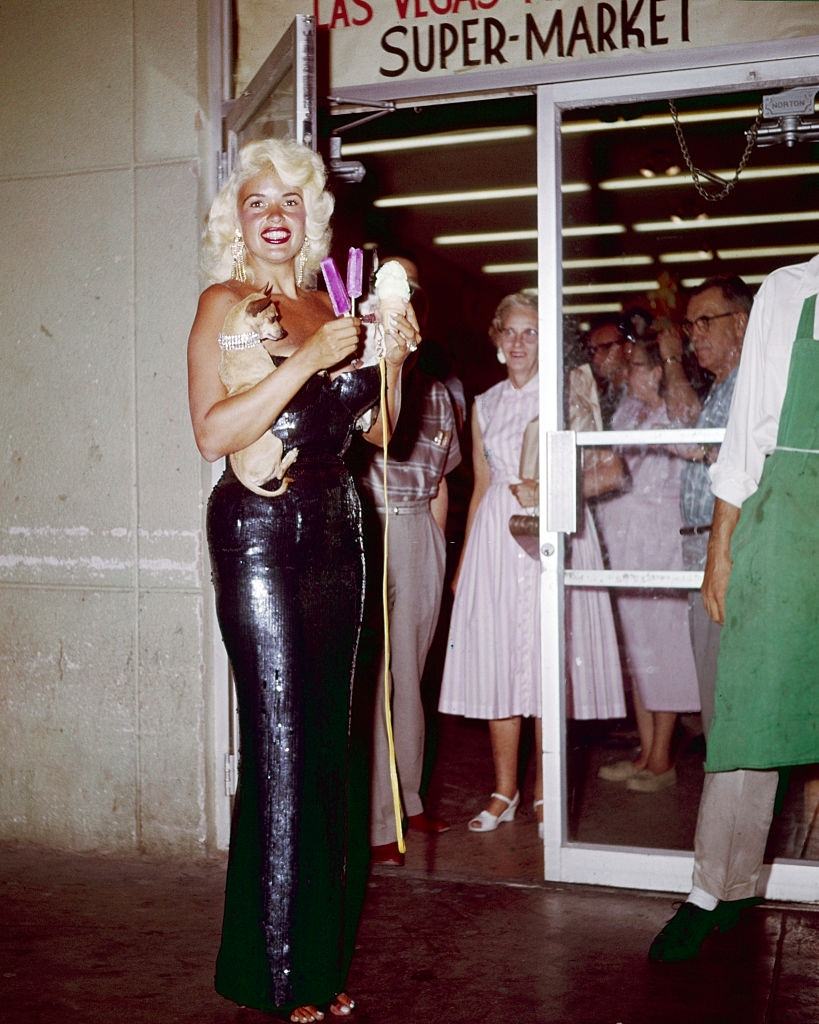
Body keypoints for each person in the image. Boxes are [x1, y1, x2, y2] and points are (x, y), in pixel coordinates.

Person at [187, 138, 419, 1022]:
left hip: (338, 522)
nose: (275, 214)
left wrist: (387, 353)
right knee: (282, 746)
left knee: (332, 750)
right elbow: (212, 433)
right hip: (259, 529)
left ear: (311, 215)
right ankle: (275, 975)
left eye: (290, 200)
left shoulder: (327, 300)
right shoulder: (222, 304)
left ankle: (314, 962)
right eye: (257, 201)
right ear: (236, 219)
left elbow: (375, 430)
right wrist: (309, 358)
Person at [649, 255, 819, 962]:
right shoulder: (791, 290)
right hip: (787, 510)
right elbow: (745, 429)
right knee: (750, 700)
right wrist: (722, 546)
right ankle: (717, 887)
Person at [352, 256, 462, 867]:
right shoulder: (362, 374)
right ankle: (374, 823)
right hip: (370, 521)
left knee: (409, 677)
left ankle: (410, 799)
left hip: (419, 532)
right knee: (373, 680)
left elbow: (443, 481)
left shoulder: (441, 392)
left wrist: (437, 556)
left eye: (414, 293)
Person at [438, 292, 542, 836]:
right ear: (497, 339)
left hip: (545, 528)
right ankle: (506, 789)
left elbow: (602, 470)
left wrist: (547, 490)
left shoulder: (565, 395)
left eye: (532, 332)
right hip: (497, 539)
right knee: (502, 661)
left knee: (545, 661)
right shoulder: (485, 402)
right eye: (512, 332)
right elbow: (480, 484)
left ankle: (547, 791)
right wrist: (464, 566)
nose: (520, 342)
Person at [596, 340, 700, 790]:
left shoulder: (671, 414)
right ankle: (644, 751)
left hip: (658, 544)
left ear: (659, 372)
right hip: (624, 544)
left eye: (636, 366)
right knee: (639, 651)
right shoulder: (626, 412)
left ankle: (662, 759)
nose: (627, 374)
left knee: (664, 650)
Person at [656, 276, 753, 740]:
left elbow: (688, 436)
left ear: (740, 324)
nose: (694, 334)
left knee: (725, 694)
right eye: (689, 324)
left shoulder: (747, 386)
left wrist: (671, 360)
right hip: (699, 548)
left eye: (704, 322)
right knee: (712, 689)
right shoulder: (722, 387)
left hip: (726, 550)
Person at [585, 316, 631, 427]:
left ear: (627, 348)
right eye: (593, 350)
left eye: (605, 348)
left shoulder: (642, 392)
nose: (596, 358)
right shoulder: (598, 393)